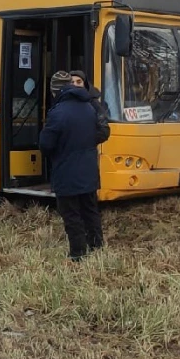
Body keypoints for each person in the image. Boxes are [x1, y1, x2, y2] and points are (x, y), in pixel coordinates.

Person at [39, 71, 107, 262]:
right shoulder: (89, 108)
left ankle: (78, 253)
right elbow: (99, 132)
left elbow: (46, 144)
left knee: (71, 214)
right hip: (89, 170)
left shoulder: (58, 113)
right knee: (90, 210)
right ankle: (97, 245)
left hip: (66, 172)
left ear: (56, 91)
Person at [70, 70, 111, 144]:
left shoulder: (93, 103)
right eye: (72, 82)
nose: (75, 85)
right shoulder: (63, 102)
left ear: (84, 84)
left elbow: (104, 131)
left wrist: (85, 142)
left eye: (78, 82)